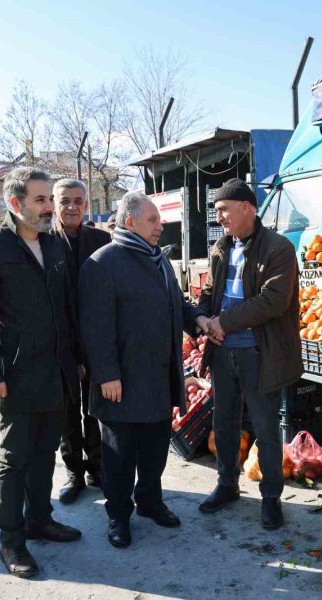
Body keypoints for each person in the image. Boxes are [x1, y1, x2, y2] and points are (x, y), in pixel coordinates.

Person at [0, 167, 82, 578]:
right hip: (15, 375)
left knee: (45, 453)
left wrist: (77, 359)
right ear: (15, 204)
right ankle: (12, 541)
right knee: (15, 461)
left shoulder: (55, 247)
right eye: (41, 200)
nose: (50, 207)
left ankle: (39, 520)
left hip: (58, 373)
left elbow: (67, 309)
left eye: (50, 198)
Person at [80, 191, 204, 549]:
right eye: (153, 220)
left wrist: (199, 320)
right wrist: (106, 374)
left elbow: (177, 305)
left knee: (154, 449)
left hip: (159, 377)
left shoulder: (159, 261)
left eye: (159, 220)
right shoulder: (103, 263)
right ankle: (118, 515)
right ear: (130, 222)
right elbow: (95, 326)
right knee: (119, 455)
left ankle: (150, 501)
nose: (160, 226)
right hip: (121, 381)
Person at [196, 178, 302, 530]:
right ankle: (227, 484)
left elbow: (273, 301)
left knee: (265, 427)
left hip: (260, 352)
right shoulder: (220, 248)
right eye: (217, 212)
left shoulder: (278, 248)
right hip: (223, 351)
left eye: (224, 210)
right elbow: (210, 291)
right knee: (223, 422)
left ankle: (271, 496)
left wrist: (223, 321)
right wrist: (204, 320)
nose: (220, 218)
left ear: (247, 208)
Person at [52, 178, 111, 504]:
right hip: (61, 342)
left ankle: (97, 468)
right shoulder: (45, 242)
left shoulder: (102, 240)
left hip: (96, 340)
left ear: (86, 205)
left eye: (78, 201)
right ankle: (74, 471)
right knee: (67, 412)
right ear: (55, 204)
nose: (72, 207)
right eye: (65, 201)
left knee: (96, 410)